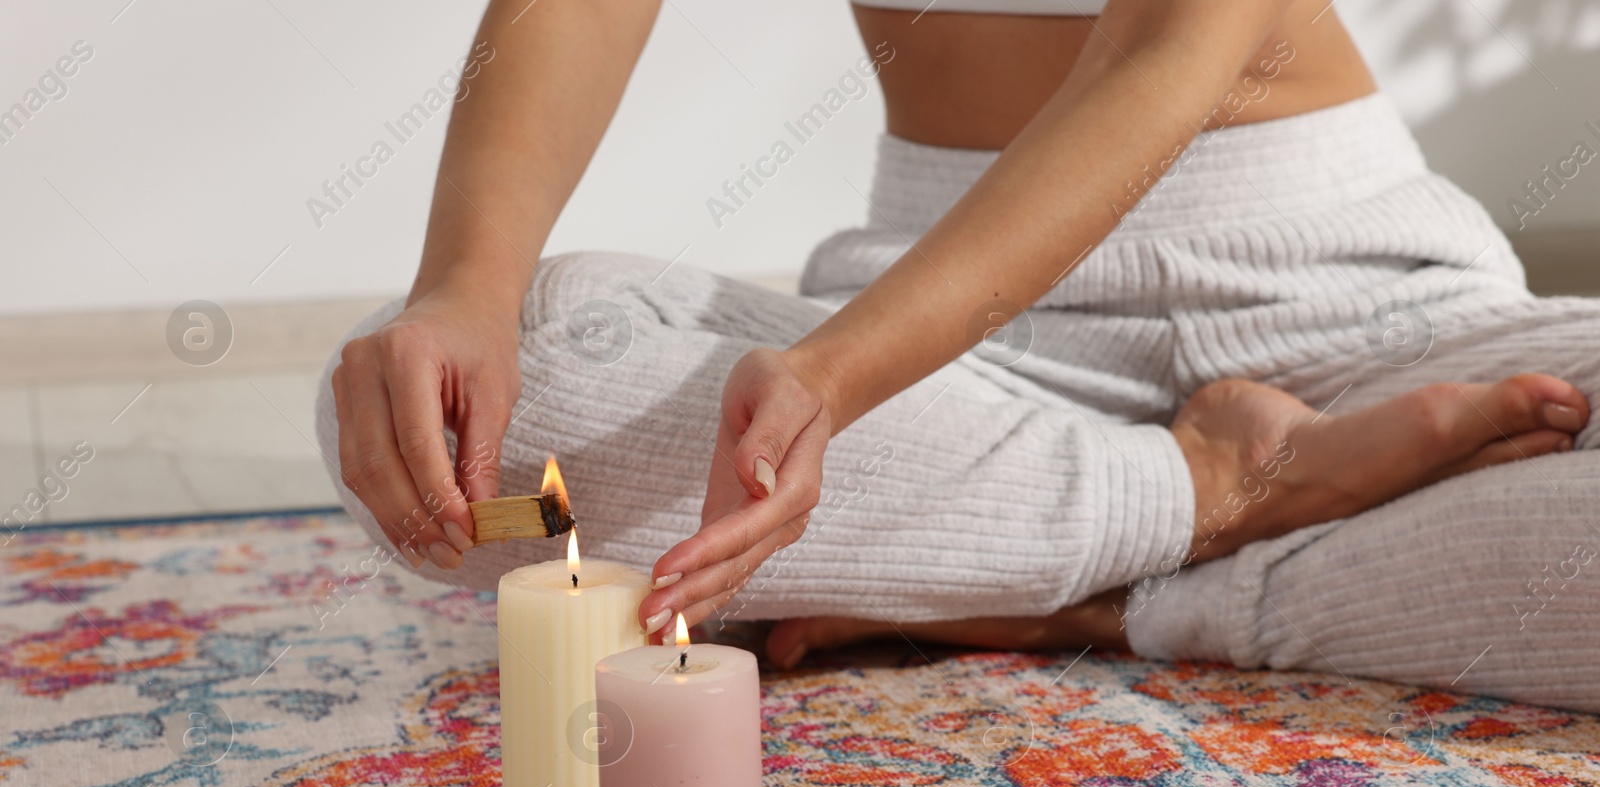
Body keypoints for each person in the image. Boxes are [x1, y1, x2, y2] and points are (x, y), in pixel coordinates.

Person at [316, 0, 1600, 712]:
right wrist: (463, 291)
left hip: (1352, 298)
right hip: (958, 342)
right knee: (486, 384)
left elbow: (1166, 52)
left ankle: (1072, 589)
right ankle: (1201, 497)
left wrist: (836, 376)